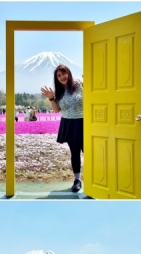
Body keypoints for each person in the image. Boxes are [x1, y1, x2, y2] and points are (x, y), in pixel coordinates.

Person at [42, 64, 83, 192]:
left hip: (83, 122)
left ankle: (95, 180)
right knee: (75, 153)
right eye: (58, 76)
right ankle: (77, 180)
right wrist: (51, 98)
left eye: (63, 73)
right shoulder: (58, 91)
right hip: (69, 124)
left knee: (89, 152)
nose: (62, 77)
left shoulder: (79, 84)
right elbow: (56, 110)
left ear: (69, 73)